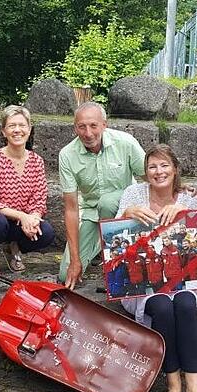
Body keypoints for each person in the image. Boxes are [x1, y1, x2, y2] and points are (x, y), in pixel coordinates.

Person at [116, 145, 197, 392]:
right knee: (161, 306)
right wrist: (126, 215)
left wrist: (187, 215)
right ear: (145, 172)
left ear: (175, 169)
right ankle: (173, 386)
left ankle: (194, 391)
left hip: (181, 279)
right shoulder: (132, 195)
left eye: (164, 165)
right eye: (153, 167)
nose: (159, 172)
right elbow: (112, 242)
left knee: (184, 303)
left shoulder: (190, 198)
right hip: (141, 284)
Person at [58, 102, 145, 289]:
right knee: (66, 274)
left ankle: (112, 259)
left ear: (104, 125)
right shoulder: (67, 155)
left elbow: (152, 177)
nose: (88, 133)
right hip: (91, 211)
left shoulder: (125, 142)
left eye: (93, 126)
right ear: (75, 127)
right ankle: (100, 242)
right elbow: (71, 209)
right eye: (82, 127)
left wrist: (178, 189)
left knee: (107, 202)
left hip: (127, 209)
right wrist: (75, 260)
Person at [0, 105, 55, 274]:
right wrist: (23, 216)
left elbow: (39, 198)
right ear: (4, 131)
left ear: (29, 129)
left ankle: (14, 248)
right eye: (12, 126)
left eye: (22, 125)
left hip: (21, 222)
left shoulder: (36, 161)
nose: (17, 130)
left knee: (46, 232)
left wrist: (33, 218)